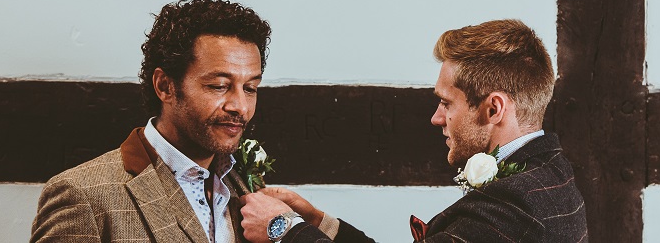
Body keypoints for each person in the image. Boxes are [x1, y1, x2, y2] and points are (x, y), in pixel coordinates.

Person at [240, 19, 589, 242]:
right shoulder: (549, 171)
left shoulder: (517, 205)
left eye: (446, 103)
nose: (436, 118)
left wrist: (282, 229)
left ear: (493, 109)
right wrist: (318, 222)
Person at [31, 0, 271, 242]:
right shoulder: (82, 196)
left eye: (250, 88)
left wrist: (306, 223)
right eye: (218, 86)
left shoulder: (246, 187)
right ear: (165, 86)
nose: (240, 106)